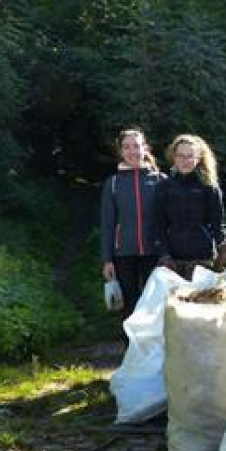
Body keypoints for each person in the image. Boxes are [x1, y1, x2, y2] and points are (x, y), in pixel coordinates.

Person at [99, 128, 166, 319]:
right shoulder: (113, 183)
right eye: (126, 147)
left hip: (155, 253)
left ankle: (153, 349)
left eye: (136, 146)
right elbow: (107, 224)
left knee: (154, 305)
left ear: (145, 148)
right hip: (123, 254)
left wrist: (167, 253)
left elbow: (169, 220)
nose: (132, 151)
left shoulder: (161, 180)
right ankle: (131, 347)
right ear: (121, 151)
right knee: (130, 307)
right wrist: (107, 259)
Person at [155, 134, 226, 279]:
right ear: (174, 157)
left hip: (203, 258)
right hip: (172, 260)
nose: (185, 160)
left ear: (198, 158)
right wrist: (164, 254)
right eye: (181, 156)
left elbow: (217, 223)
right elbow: (159, 225)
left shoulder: (209, 187)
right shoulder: (164, 187)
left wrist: (223, 246)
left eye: (190, 156)